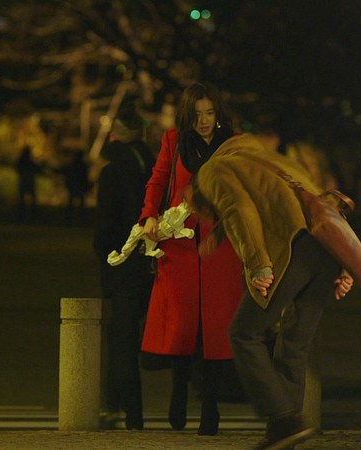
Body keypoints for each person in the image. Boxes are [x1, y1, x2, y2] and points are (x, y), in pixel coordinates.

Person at [184, 133, 354, 450]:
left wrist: (258, 264)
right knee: (294, 344)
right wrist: (344, 265)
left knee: (244, 333)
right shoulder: (266, 160)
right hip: (325, 252)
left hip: (293, 250)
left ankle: (284, 420)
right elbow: (314, 203)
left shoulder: (212, 171)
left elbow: (238, 208)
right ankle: (285, 432)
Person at [138, 82, 244, 436]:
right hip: (179, 245)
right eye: (197, 114)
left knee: (214, 329)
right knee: (182, 325)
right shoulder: (174, 140)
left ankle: (210, 407)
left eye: (209, 113)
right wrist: (149, 216)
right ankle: (179, 391)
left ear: (218, 113)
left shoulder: (233, 143)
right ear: (187, 115)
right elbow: (158, 181)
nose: (203, 121)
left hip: (220, 246)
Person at [93, 106, 156, 430]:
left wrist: (106, 261)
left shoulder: (112, 172)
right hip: (153, 261)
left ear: (114, 135)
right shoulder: (155, 167)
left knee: (122, 340)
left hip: (123, 263)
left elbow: (105, 226)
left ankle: (125, 409)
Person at [16, 145, 39, 222]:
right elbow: (36, 169)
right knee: (30, 199)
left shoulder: (22, 161)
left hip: (24, 181)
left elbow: (17, 168)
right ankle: (31, 216)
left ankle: (23, 216)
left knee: (23, 199)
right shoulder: (29, 161)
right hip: (29, 181)